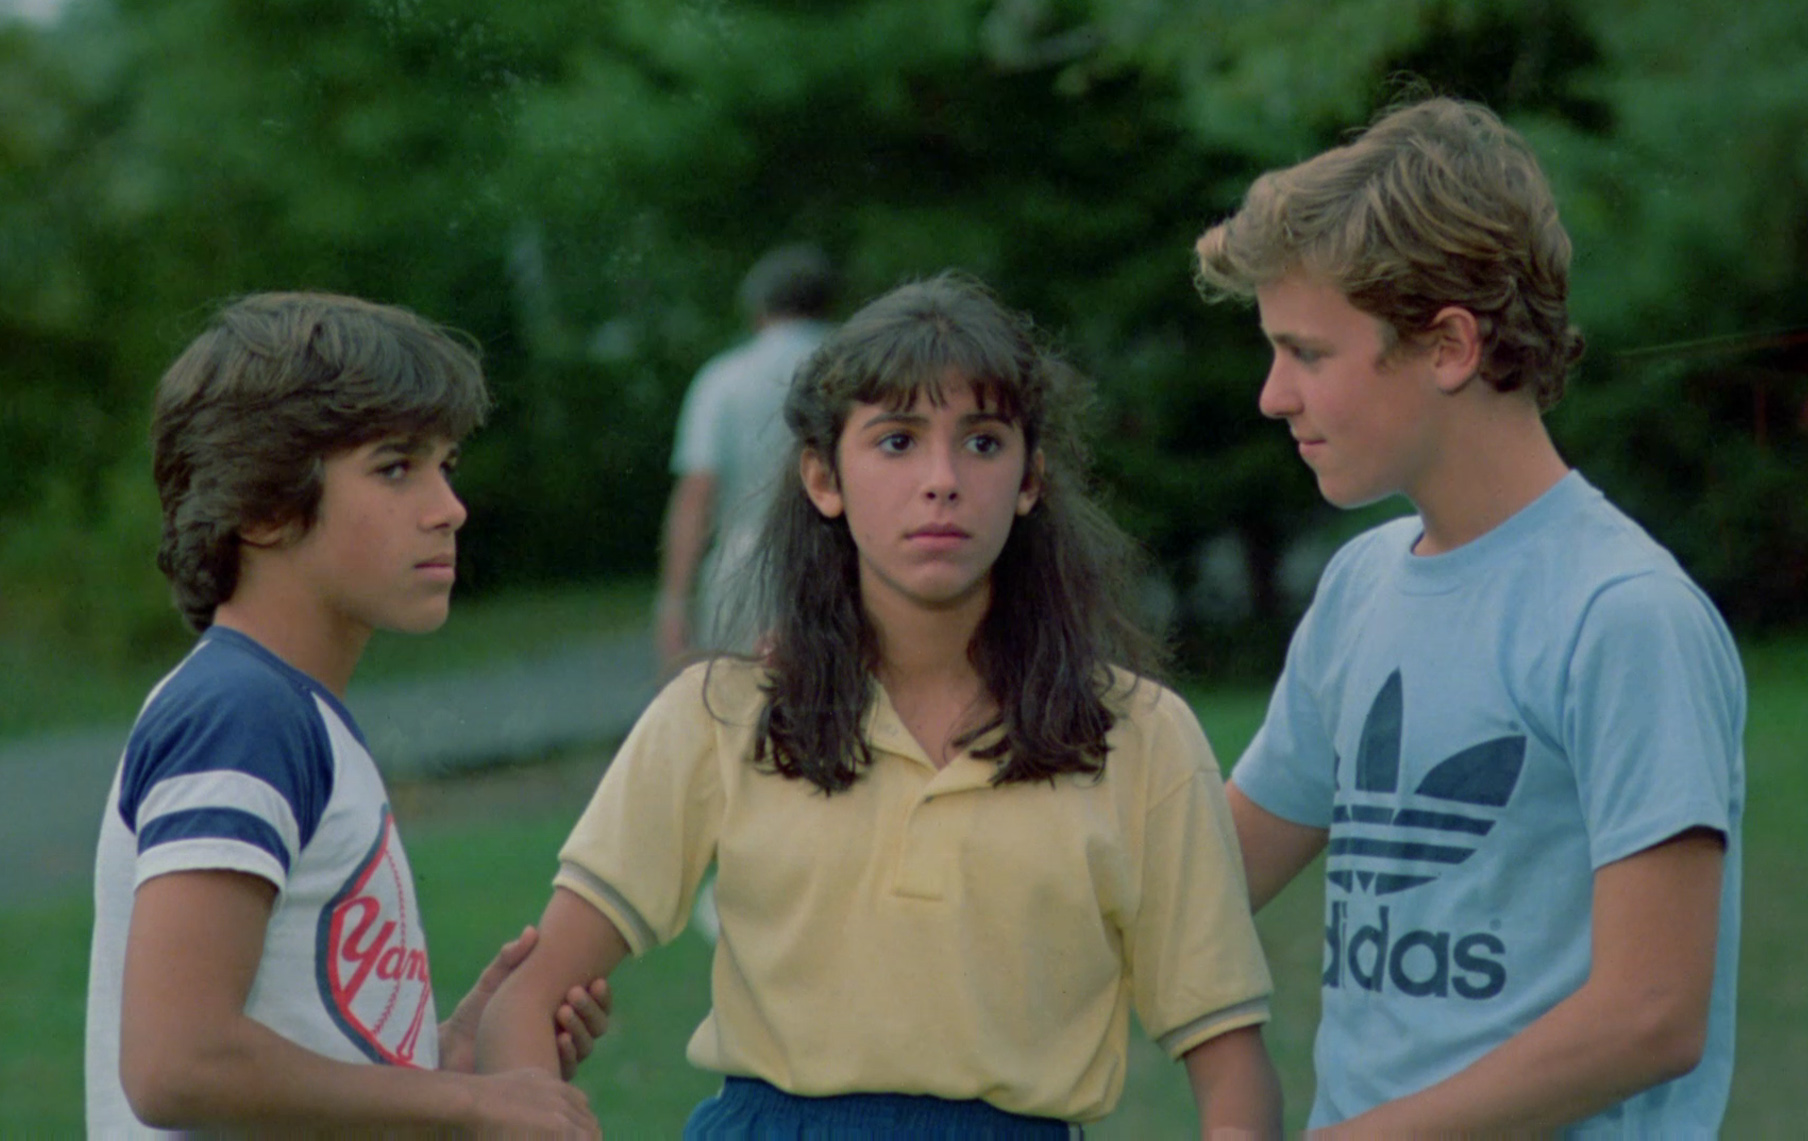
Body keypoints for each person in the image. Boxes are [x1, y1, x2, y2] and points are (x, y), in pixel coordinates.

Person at [478, 274, 1284, 1137]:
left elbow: (1232, 1070)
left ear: (1029, 479)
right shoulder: (718, 714)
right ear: (824, 477)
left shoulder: (1142, 735)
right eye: (897, 441)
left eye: (981, 442)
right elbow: (524, 999)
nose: (941, 480)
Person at [1194, 96, 1747, 1135]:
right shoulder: (1361, 587)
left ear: (1448, 345)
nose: (1273, 395)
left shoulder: (1623, 615)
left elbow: (1653, 1013)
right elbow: (1207, 875)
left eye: (1307, 353)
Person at [87, 292, 610, 1137]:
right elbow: (177, 1063)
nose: (448, 506)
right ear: (261, 504)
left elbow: (281, 1053)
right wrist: (469, 1103)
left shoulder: (292, 710)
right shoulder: (242, 713)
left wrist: (445, 1056)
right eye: (396, 467)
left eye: (447, 465)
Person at [654, 243, 837, 667]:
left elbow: (696, 493)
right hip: (839, 557)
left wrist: (673, 601)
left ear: (758, 309)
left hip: (745, 564)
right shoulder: (854, 367)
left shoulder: (723, 379)